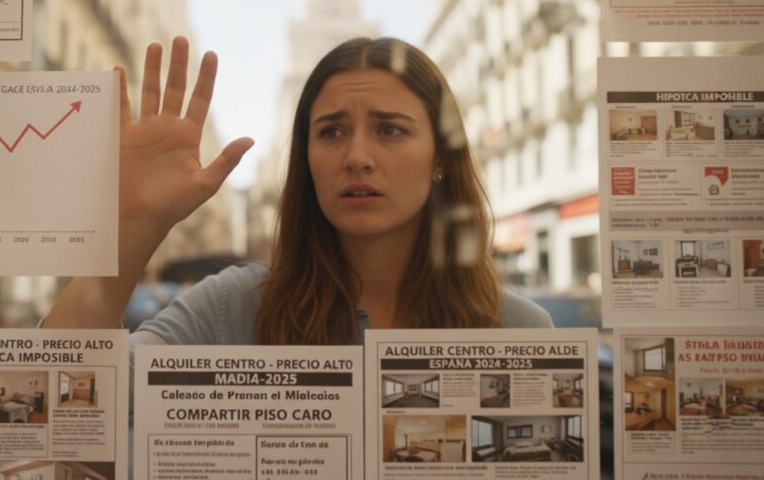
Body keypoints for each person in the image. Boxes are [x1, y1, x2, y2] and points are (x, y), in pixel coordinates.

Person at [43, 36, 550, 341]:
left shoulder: (519, 330)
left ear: (440, 156)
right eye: (330, 131)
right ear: (306, 159)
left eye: (390, 129)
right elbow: (59, 402)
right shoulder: (228, 311)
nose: (357, 157)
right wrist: (131, 229)